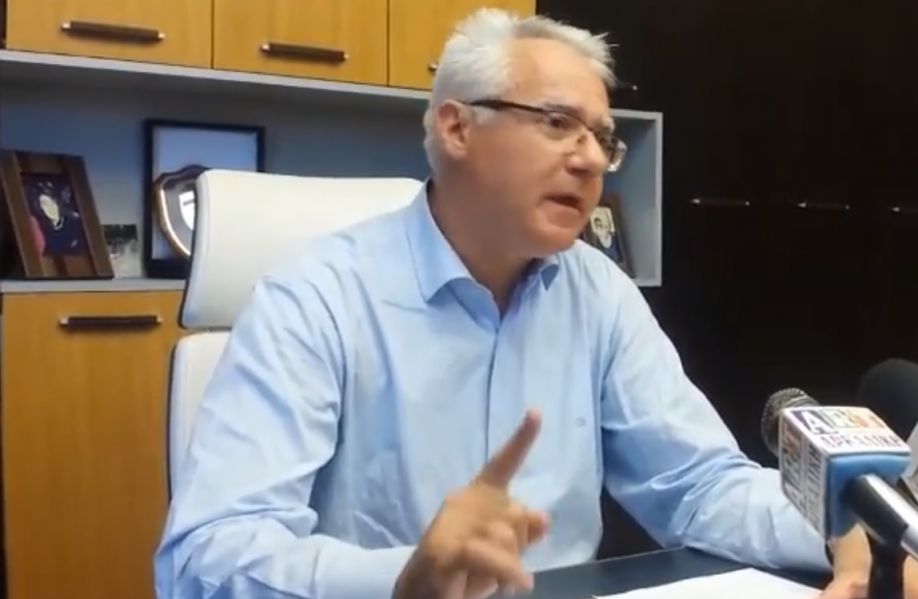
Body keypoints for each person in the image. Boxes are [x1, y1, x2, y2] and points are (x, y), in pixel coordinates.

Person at [154, 8, 915, 599]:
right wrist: (404, 577)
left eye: (603, 137)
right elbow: (204, 558)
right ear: (457, 125)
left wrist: (848, 528)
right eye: (556, 123)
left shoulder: (597, 293)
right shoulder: (314, 298)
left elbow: (697, 485)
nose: (589, 159)